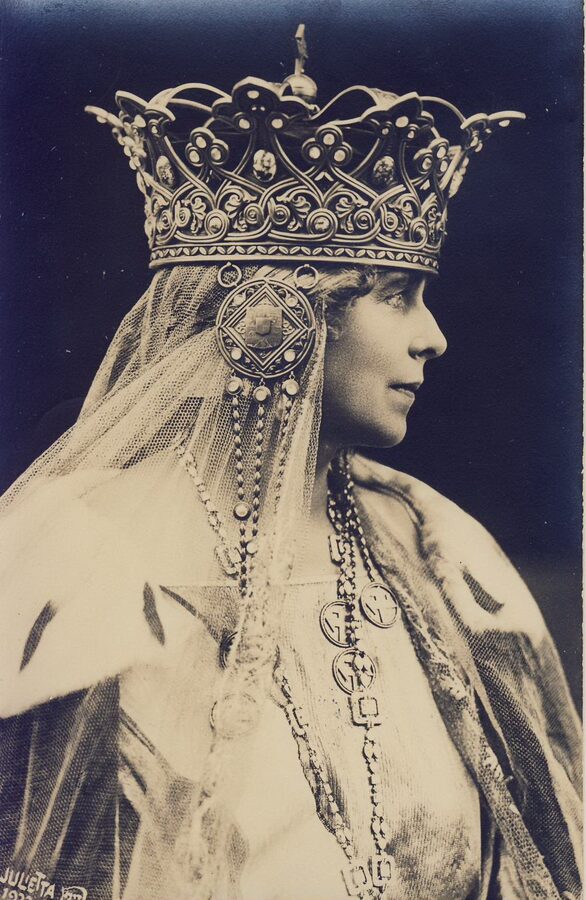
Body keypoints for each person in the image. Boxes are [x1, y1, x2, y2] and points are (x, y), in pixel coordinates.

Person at [0, 28, 581, 900]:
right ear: (277, 317)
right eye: (397, 296)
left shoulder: (440, 549)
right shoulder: (78, 558)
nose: (434, 337)